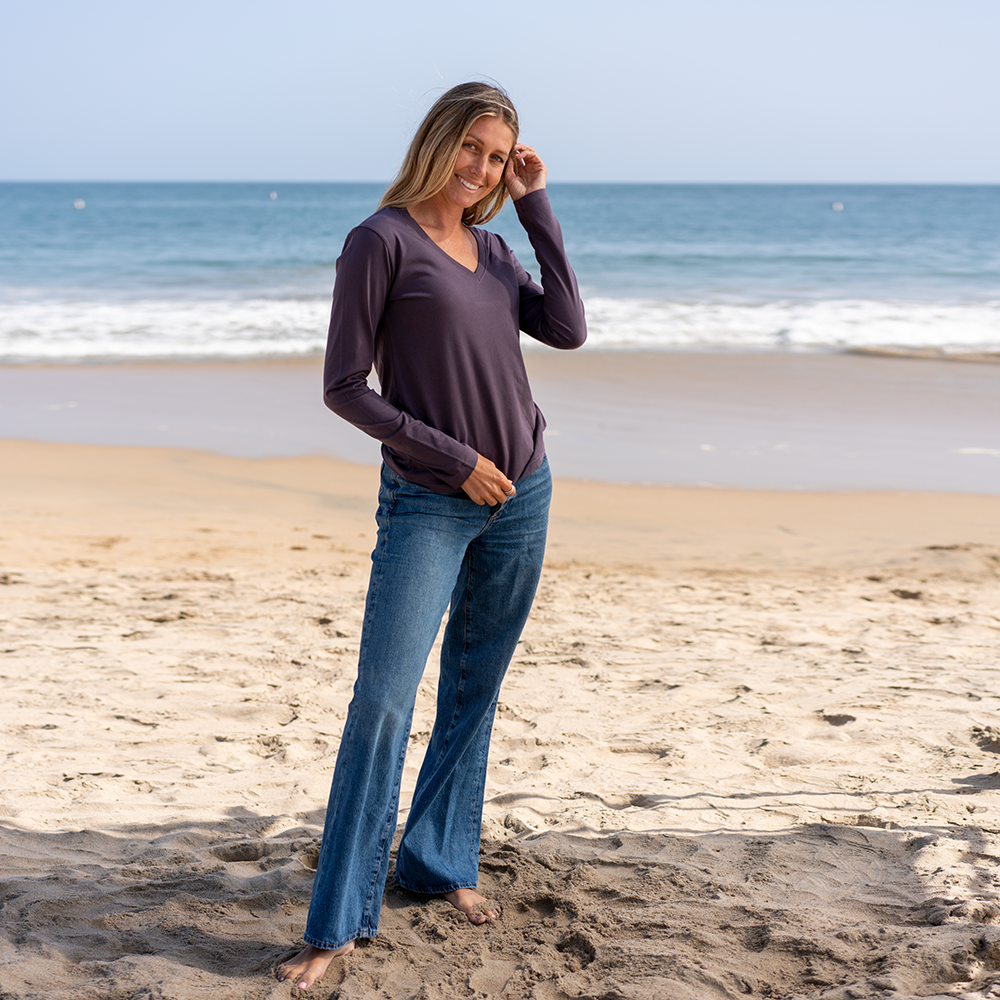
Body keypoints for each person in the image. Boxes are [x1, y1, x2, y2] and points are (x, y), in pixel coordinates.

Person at [276, 81, 586, 990]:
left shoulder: (495, 248)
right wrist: (456, 460)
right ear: (437, 141)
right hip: (429, 502)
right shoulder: (379, 241)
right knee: (382, 702)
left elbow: (567, 328)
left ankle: (437, 861)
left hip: (523, 494)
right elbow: (345, 388)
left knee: (474, 687)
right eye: (470, 148)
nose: (480, 168)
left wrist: (535, 204)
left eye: (496, 156)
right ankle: (337, 922)